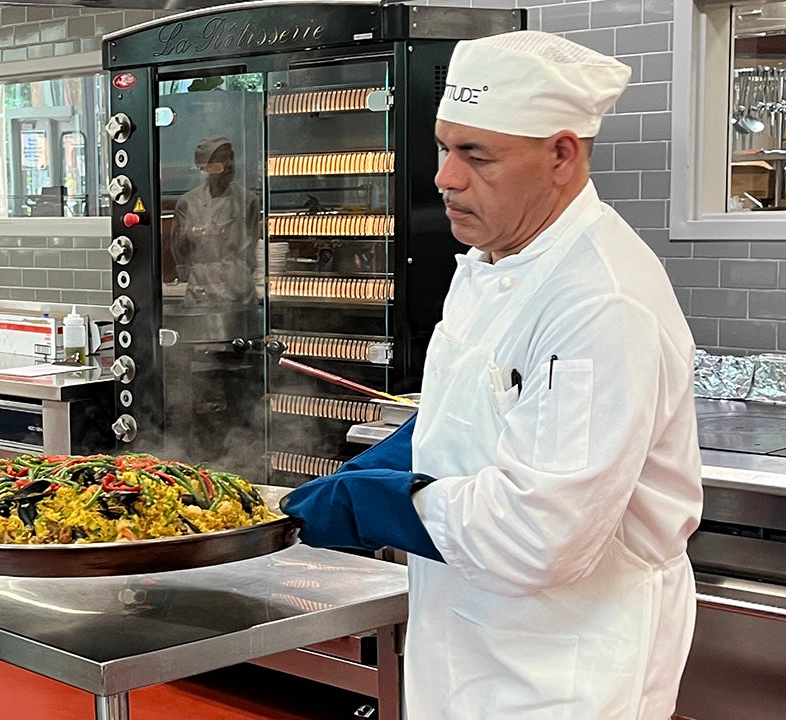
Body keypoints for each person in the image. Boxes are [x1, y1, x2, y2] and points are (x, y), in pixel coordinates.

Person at [281, 31, 703, 718]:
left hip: (561, 661)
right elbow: (487, 397)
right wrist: (406, 450)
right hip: (471, 633)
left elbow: (541, 534)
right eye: (446, 147)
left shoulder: (599, 301)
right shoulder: (496, 255)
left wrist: (375, 506)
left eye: (477, 155)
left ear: (561, 154)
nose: (446, 177)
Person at [170, 136, 261, 306]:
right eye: (220, 159)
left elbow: (251, 245)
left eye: (230, 157)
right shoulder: (188, 202)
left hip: (239, 292)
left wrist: (238, 272)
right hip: (201, 291)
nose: (228, 164)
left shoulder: (248, 201)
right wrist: (197, 272)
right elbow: (179, 248)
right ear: (204, 167)